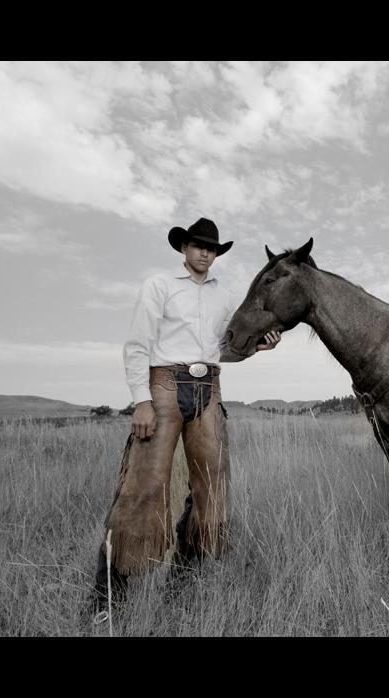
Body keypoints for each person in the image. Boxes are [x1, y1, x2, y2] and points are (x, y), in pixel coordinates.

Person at [87, 217, 280, 618]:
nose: (205, 252)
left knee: (212, 489)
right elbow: (138, 345)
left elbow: (221, 349)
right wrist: (141, 400)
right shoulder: (158, 287)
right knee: (143, 484)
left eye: (211, 248)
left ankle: (183, 582)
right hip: (164, 389)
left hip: (209, 388)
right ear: (184, 249)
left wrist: (254, 349)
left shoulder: (225, 297)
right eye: (197, 246)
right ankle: (108, 595)